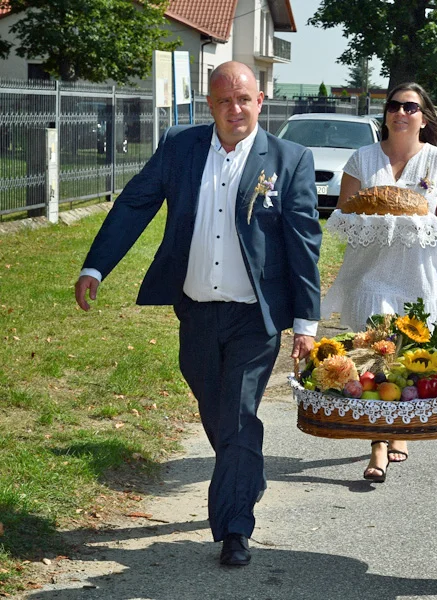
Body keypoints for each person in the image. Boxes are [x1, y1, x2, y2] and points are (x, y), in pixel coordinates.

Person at [74, 62, 322, 568]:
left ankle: (234, 529)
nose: (236, 110)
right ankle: (246, 472)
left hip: (256, 317)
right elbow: (134, 204)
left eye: (245, 99)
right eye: (226, 101)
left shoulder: (289, 159)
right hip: (197, 313)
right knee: (221, 416)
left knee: (235, 414)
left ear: (261, 99)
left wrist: (306, 323)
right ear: (210, 104)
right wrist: (97, 266)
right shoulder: (181, 149)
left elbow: (303, 244)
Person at [321, 82, 437, 482]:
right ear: (386, 113)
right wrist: (367, 219)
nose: (402, 112)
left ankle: (401, 430)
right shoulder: (362, 159)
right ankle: (379, 444)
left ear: (424, 116)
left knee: (413, 359)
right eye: (395, 106)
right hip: (371, 274)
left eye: (411, 107)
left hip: (419, 274)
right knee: (377, 359)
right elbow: (344, 214)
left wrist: (421, 223)